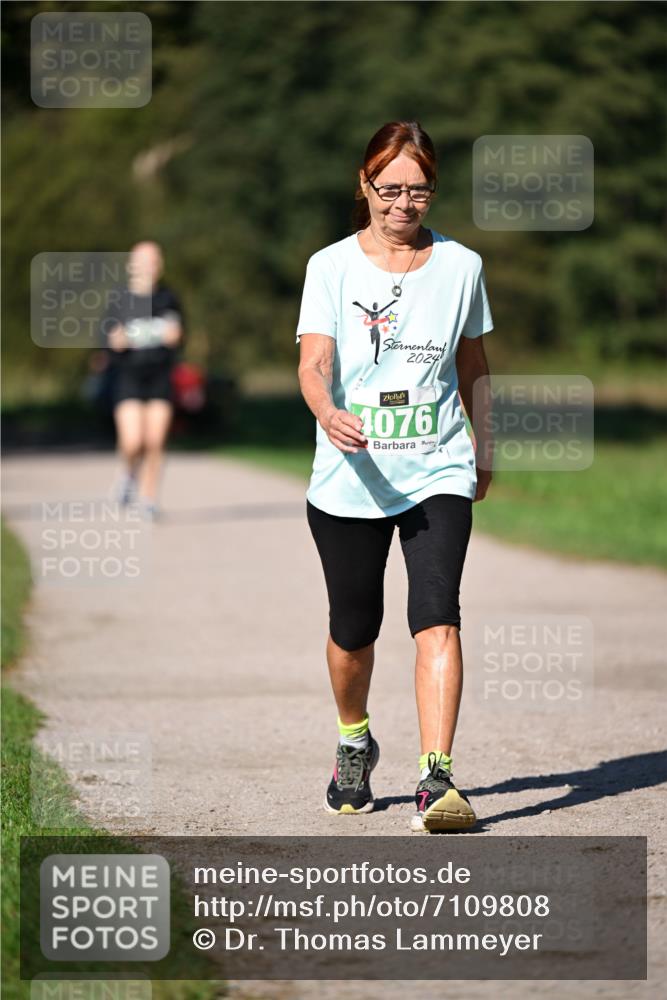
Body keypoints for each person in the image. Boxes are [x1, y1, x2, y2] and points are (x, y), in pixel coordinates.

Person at [296, 121, 494, 833]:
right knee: (354, 628)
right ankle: (354, 741)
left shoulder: (462, 266)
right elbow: (312, 362)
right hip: (349, 474)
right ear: (364, 185)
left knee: (436, 612)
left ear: (433, 191)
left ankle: (435, 777)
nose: (403, 203)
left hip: (436, 464)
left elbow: (472, 367)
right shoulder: (331, 267)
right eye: (389, 189)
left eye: (417, 190)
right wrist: (325, 410)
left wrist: (484, 447)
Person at [104, 242, 184, 520]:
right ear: (131, 265)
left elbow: (178, 334)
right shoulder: (118, 299)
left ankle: (149, 499)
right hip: (128, 376)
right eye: (142, 261)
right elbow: (107, 340)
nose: (148, 267)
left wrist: (175, 335)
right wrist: (116, 341)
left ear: (159, 266)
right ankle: (127, 475)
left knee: (155, 440)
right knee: (132, 441)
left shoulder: (168, 298)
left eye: (153, 261)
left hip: (160, 376)